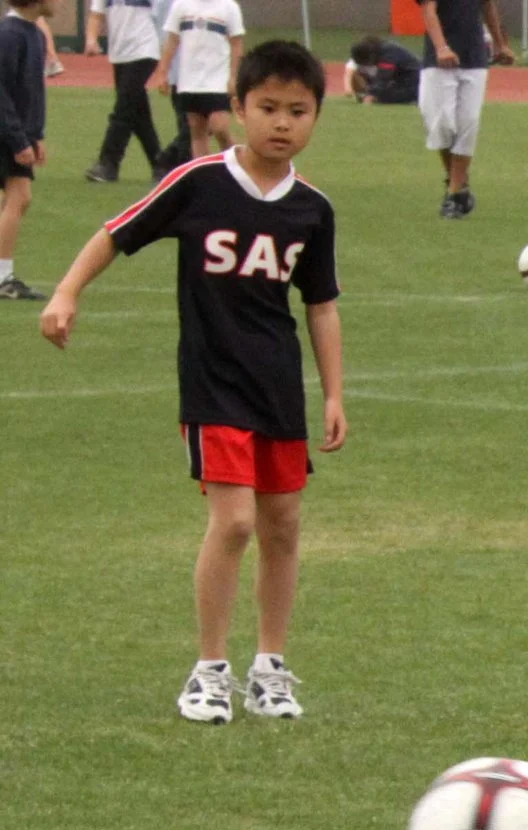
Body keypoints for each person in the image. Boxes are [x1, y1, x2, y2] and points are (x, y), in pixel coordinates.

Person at [40, 40, 345, 724]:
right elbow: (114, 234)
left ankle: (271, 667)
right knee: (234, 522)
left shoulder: (312, 210)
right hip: (212, 383)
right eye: (266, 107)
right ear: (237, 108)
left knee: (284, 525)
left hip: (277, 389)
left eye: (298, 110)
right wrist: (66, 294)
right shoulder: (199, 182)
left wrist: (332, 394)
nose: (282, 123)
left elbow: (320, 306)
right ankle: (209, 669)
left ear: (316, 117)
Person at [416, 0, 512, 219]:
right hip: (438, 61)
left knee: (468, 123)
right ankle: (458, 180)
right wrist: (442, 48)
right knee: (440, 125)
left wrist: (500, 44)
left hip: (474, 58)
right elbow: (429, 10)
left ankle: (455, 194)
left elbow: (488, 7)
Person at [81, 0, 163, 183]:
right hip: (119, 54)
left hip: (145, 50)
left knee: (123, 109)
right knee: (138, 113)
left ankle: (109, 163)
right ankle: (160, 162)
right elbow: (96, 15)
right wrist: (91, 39)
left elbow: (165, 14)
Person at [153, 0, 240, 166]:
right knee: (197, 130)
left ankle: (240, 164)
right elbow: (172, 40)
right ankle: (203, 175)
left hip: (217, 79)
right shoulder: (181, 5)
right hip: (189, 80)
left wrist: (233, 76)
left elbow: (236, 45)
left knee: (219, 127)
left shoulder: (229, 7)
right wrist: (163, 72)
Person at [0, 0, 43, 299]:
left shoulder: (33, 33)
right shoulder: (10, 34)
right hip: (6, 131)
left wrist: (35, 135)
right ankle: (3, 279)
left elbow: (31, 92)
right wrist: (18, 139)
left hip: (16, 131)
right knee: (19, 196)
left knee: (17, 198)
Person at [347, 35, 421, 104]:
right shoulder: (384, 49)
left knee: (384, 95)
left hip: (414, 84)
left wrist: (371, 94)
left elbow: (383, 79)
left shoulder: (388, 54)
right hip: (405, 82)